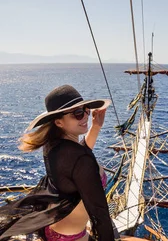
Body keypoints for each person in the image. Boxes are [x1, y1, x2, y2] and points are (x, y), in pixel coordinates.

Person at [18, 84, 114, 240]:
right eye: (77, 113)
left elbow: (79, 154)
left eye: (86, 111)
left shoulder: (54, 145)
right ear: (59, 122)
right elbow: (98, 210)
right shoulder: (80, 160)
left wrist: (96, 126)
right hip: (72, 237)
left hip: (56, 227)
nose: (85, 117)